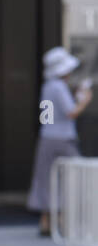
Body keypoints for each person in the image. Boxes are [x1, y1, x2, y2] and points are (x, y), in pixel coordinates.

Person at [27, 46, 92, 235]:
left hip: (47, 137)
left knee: (45, 178)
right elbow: (71, 112)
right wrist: (85, 100)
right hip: (63, 138)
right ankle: (61, 220)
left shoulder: (47, 87)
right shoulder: (58, 87)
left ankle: (46, 220)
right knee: (73, 176)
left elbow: (46, 116)